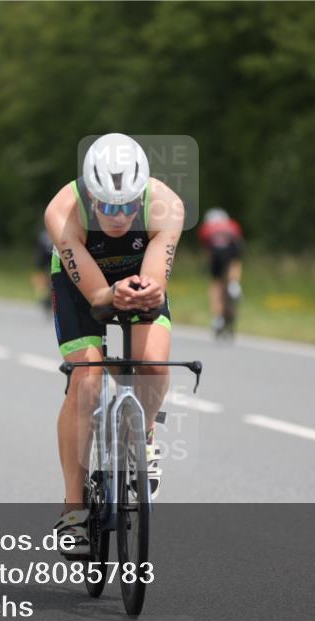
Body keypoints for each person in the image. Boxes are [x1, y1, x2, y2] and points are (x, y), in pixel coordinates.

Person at [44, 133, 184, 555]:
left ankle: (143, 438)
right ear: (90, 194)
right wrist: (110, 294)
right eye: (106, 206)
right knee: (85, 383)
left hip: (137, 277)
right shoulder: (62, 211)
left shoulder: (167, 206)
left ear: (142, 195)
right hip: (81, 284)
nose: (118, 216)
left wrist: (148, 292)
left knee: (154, 366)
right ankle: (74, 510)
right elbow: (96, 297)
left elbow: (156, 281)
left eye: (127, 206)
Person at [198, 207, 244, 335]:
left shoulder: (207, 228)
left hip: (215, 252)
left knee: (216, 284)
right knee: (234, 262)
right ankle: (234, 283)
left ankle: (217, 317)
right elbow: (239, 245)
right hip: (232, 249)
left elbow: (207, 249)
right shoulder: (232, 225)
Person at [32, 227, 55, 315]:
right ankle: (44, 297)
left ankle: (47, 298)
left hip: (53, 258)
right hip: (45, 258)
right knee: (45, 278)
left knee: (50, 280)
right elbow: (39, 251)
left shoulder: (48, 233)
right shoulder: (44, 235)